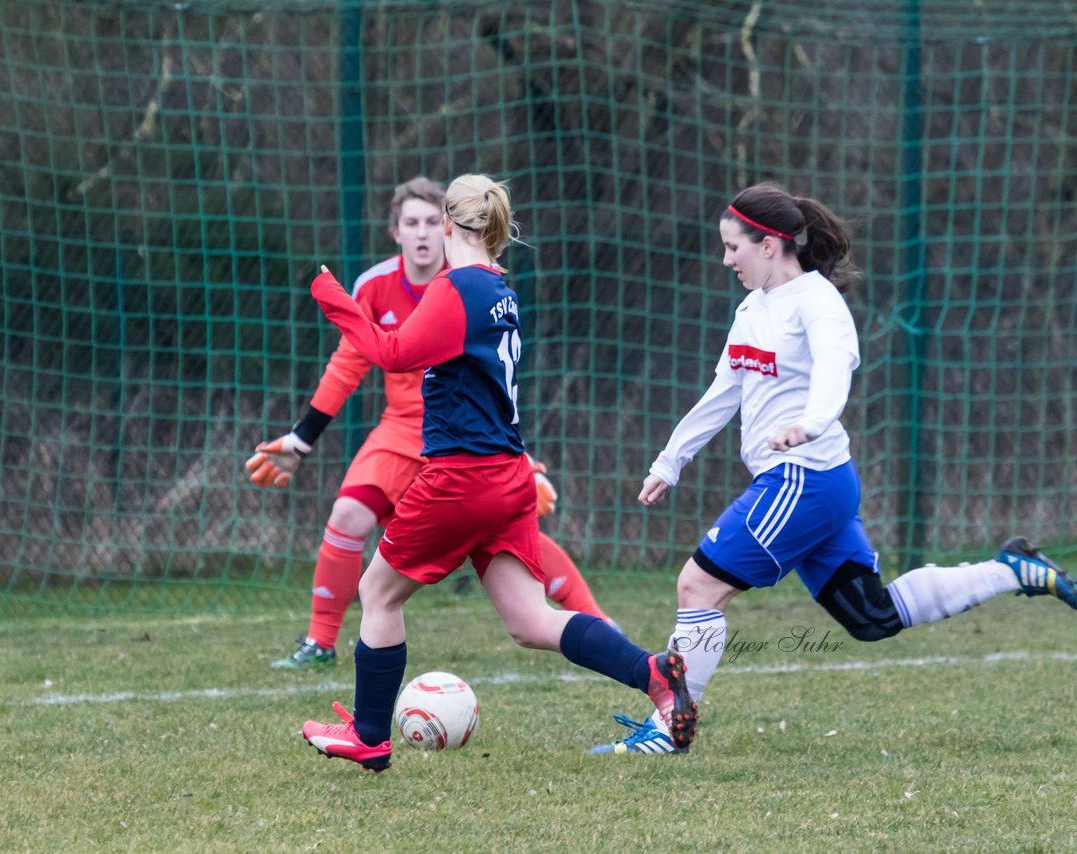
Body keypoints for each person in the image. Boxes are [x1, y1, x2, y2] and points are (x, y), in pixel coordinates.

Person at [601, 183, 1077, 755]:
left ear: (771, 244)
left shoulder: (818, 301)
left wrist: (811, 422)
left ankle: (669, 732)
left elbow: (836, 368)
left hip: (803, 476)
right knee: (871, 615)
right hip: (817, 484)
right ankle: (1013, 569)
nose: (727, 259)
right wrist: (669, 462)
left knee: (697, 585)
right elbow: (722, 394)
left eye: (734, 248)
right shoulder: (752, 309)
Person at [299, 174, 697, 771]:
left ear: (450, 224)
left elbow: (392, 355)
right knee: (531, 621)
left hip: (462, 476)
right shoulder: (498, 289)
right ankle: (654, 674)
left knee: (377, 591)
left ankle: (371, 737)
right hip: (505, 473)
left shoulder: (455, 288)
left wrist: (334, 299)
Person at [246, 176, 613, 671]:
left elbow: (482, 380)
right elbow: (349, 363)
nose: (421, 233)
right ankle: (319, 642)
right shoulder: (384, 285)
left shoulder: (467, 285)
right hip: (402, 434)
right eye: (410, 223)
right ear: (395, 231)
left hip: (462, 445)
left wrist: (524, 461)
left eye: (428, 221)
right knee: (348, 516)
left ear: (447, 226)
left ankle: (598, 622)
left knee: (505, 549)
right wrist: (302, 438)